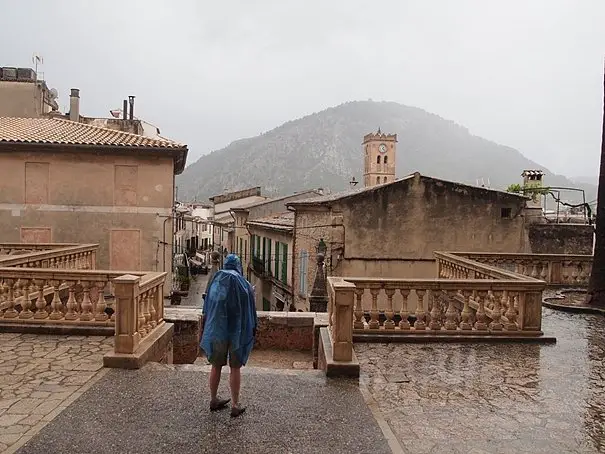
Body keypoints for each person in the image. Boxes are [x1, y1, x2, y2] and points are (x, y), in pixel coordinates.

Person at [200, 254, 257, 417]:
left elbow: (207, 307)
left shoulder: (216, 281)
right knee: (235, 368)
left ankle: (213, 399)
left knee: (216, 366)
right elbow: (251, 311)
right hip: (237, 333)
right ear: (238, 266)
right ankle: (235, 404)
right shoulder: (244, 284)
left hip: (217, 331)